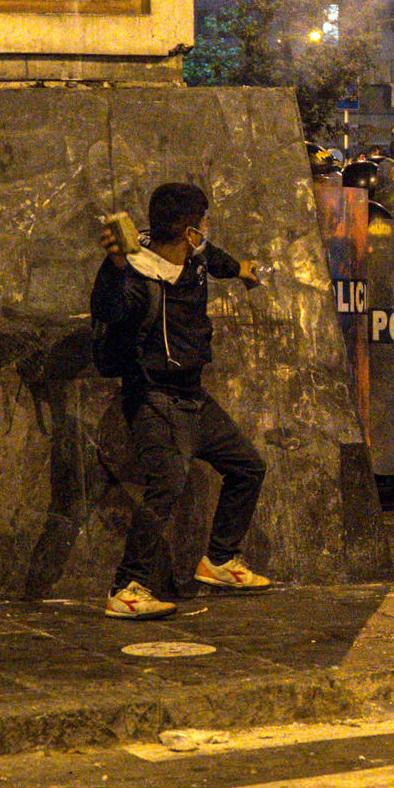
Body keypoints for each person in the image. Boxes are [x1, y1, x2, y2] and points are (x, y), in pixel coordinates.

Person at [93, 182, 270, 620]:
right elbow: (108, 307)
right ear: (190, 230)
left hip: (193, 396)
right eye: (204, 222)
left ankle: (220, 560)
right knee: (168, 482)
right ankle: (126, 588)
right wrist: (115, 265)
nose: (206, 231)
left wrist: (242, 269)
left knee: (248, 466)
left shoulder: (195, 256)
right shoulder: (135, 272)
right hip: (154, 396)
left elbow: (216, 256)